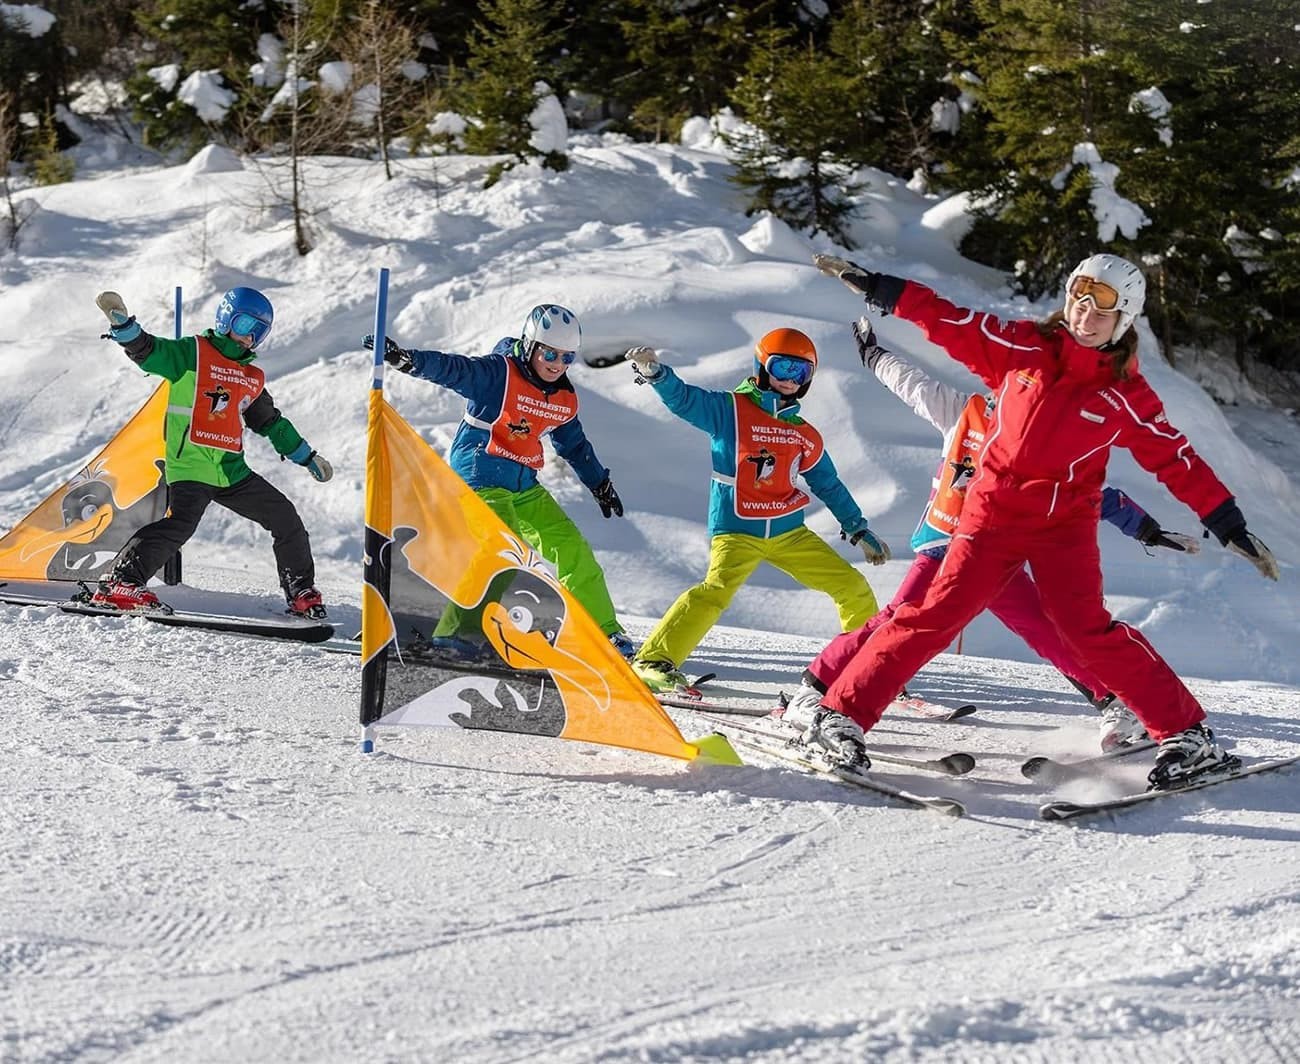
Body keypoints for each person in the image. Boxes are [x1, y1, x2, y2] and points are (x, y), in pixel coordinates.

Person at [801, 252, 1278, 790]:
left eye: (1103, 306)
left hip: (1064, 526)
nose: (1085, 312)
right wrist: (885, 289)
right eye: (1079, 295)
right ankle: (839, 716)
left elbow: (1175, 457)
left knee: (1086, 628)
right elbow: (951, 320)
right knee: (935, 614)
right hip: (993, 513)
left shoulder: (1125, 394)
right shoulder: (1025, 347)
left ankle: (1187, 734)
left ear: (1124, 319)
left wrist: (1226, 519)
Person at [782, 321, 1201, 752]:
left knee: (1051, 628)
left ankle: (1115, 702)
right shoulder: (962, 410)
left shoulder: (1043, 437)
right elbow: (913, 384)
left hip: (998, 551)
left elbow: (1092, 495)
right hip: (946, 543)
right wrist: (874, 356)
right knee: (901, 618)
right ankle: (815, 691)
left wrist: (1147, 529)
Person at [363, 304, 637, 659]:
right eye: (549, 353)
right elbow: (452, 369)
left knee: (572, 548)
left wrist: (599, 482)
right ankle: (456, 633)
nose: (556, 364)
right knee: (503, 546)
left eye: (566, 357)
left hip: (522, 482)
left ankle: (603, 631)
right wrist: (406, 360)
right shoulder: (498, 374)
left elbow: (573, 444)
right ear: (530, 345)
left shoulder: (563, 397)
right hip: (479, 469)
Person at [625, 329, 888, 693]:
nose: (789, 380)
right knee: (715, 590)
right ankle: (653, 661)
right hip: (737, 528)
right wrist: (658, 375)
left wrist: (857, 527)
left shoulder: (803, 434)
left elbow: (827, 483)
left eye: (800, 373)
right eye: (782, 368)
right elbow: (685, 400)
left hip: (788, 532)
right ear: (762, 368)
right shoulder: (728, 411)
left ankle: (861, 666)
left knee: (853, 586)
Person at [92, 287, 332, 617]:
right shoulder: (193, 353)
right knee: (179, 526)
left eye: (259, 331)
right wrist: (125, 329)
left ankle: (300, 590)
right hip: (190, 465)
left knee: (285, 517)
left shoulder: (250, 376)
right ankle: (122, 582)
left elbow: (270, 423)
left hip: (232, 470)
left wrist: (306, 456)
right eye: (246, 324)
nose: (251, 337)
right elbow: (151, 350)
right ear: (225, 318)